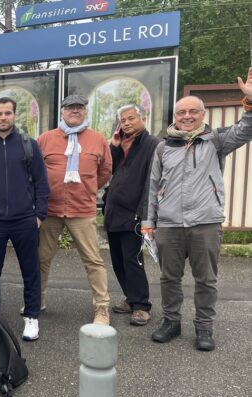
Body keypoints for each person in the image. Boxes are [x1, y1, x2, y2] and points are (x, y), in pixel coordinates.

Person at [143, 67, 252, 351]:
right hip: (168, 225)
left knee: (206, 280)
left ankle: (204, 328)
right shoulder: (163, 147)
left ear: (202, 115)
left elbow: (246, 129)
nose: (187, 117)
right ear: (175, 117)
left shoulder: (215, 141)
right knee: (169, 278)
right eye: (182, 113)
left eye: (193, 112)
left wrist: (250, 102)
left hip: (205, 222)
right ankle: (171, 321)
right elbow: (153, 186)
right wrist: (148, 221)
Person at [0, 97, 50, 341]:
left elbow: (41, 182)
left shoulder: (29, 145)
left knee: (30, 270)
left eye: (8, 113)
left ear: (14, 115)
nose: (3, 117)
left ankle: (31, 317)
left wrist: (39, 214)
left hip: (24, 219)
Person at [37, 95, 112, 325]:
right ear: (62, 112)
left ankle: (102, 309)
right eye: (70, 107)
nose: (75, 111)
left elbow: (105, 171)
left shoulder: (97, 139)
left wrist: (87, 189)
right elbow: (35, 172)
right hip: (50, 209)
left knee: (93, 260)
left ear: (85, 111)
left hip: (82, 210)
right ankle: (36, 300)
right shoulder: (45, 139)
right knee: (41, 258)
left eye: (79, 107)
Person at [104, 104, 160, 326]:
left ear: (142, 118)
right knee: (117, 260)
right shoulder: (123, 143)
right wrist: (115, 147)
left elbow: (151, 183)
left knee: (132, 260)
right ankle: (130, 296)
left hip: (134, 214)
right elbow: (111, 169)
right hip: (114, 213)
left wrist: (145, 215)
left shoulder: (152, 144)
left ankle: (142, 305)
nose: (126, 123)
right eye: (123, 120)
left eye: (131, 118)